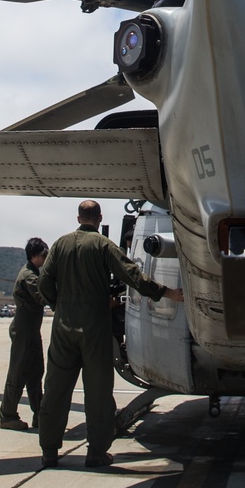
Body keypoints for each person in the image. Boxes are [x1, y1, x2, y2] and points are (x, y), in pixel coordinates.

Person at [37, 201, 184, 470]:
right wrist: (165, 293)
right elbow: (132, 275)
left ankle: (48, 450)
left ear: (79, 217)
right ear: (99, 218)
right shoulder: (103, 246)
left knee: (56, 389)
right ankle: (96, 453)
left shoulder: (60, 244)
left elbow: (44, 282)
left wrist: (60, 306)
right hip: (94, 328)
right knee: (98, 393)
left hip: (63, 329)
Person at [0, 236, 49, 431]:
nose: (45, 259)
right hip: (24, 331)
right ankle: (8, 415)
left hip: (31, 331)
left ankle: (40, 413)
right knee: (18, 374)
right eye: (43, 255)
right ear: (34, 256)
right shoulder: (29, 276)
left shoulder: (33, 272)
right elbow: (42, 297)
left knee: (36, 373)